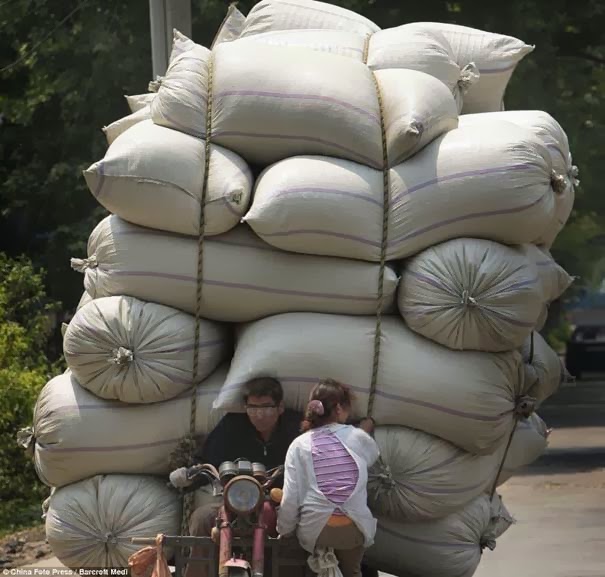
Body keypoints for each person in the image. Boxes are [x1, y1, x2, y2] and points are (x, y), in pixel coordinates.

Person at [183, 376, 303, 577]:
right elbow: (208, 458)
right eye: (252, 408)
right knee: (202, 518)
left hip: (279, 504)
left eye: (266, 407)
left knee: (294, 533)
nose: (259, 415)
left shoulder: (296, 428)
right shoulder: (232, 425)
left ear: (280, 407)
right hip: (234, 503)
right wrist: (190, 475)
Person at [276, 379, 380, 577]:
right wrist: (362, 431)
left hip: (315, 529)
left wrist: (284, 529)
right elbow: (372, 455)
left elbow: (290, 497)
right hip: (355, 527)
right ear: (340, 408)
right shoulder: (357, 437)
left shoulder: (299, 444)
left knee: (309, 567)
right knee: (352, 571)